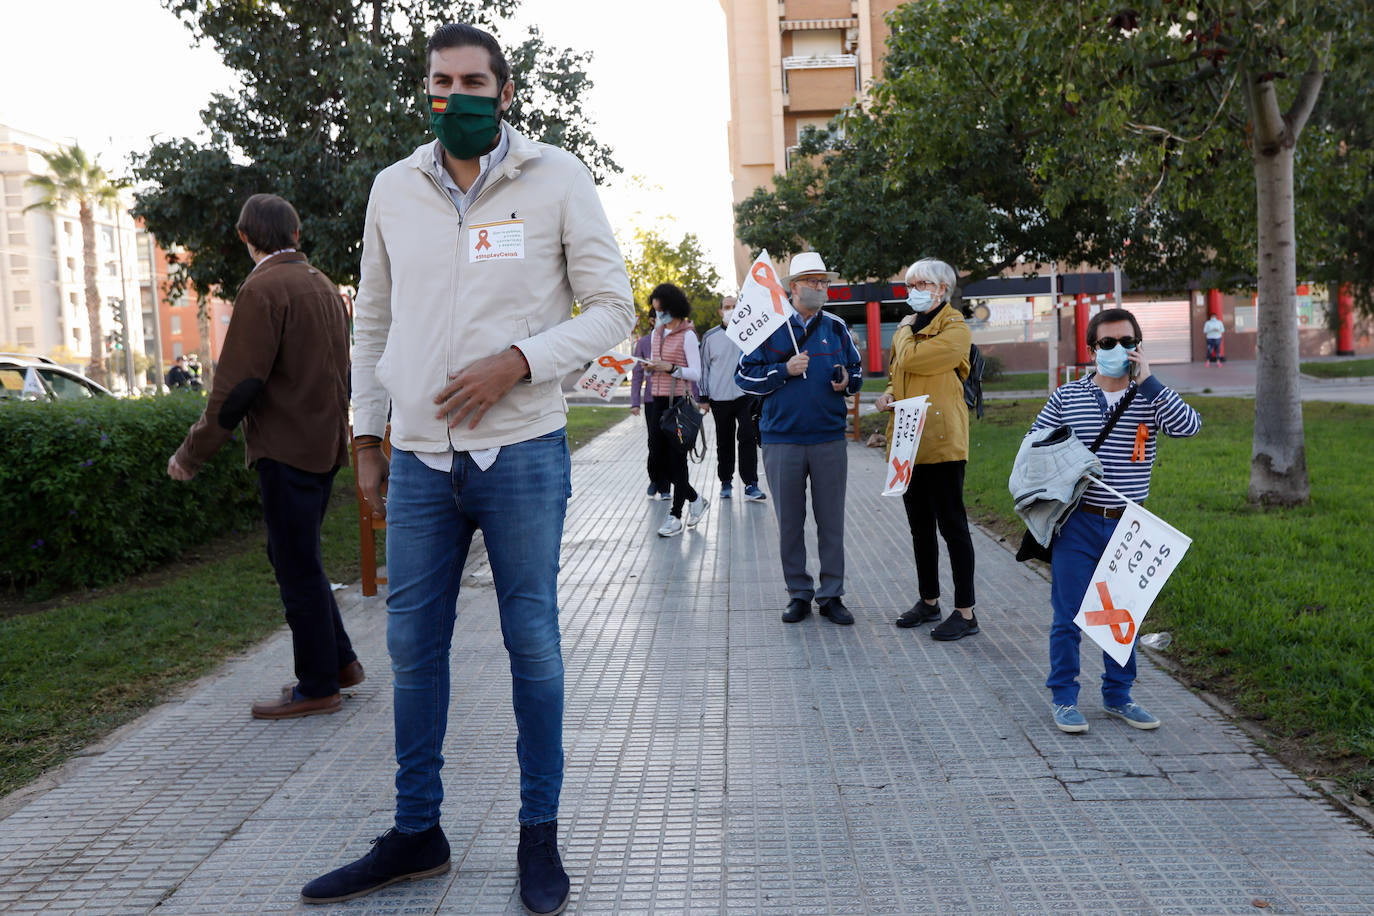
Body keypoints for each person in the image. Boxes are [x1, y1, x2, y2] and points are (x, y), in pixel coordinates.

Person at [302, 23, 633, 915]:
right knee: (413, 651)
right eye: (442, 83)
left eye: (474, 82)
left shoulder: (558, 178)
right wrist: (366, 439)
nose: (457, 97)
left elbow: (613, 309)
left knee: (534, 647)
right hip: (414, 460)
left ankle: (539, 837)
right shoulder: (391, 190)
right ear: (429, 91)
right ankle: (418, 832)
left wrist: (518, 361)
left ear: (506, 91)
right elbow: (372, 322)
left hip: (521, 451)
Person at [166, 193, 360, 720]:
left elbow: (239, 386)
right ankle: (339, 663)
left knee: (295, 565)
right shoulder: (322, 285)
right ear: (295, 234)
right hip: (324, 445)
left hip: (286, 449)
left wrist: (191, 453)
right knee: (296, 557)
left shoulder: (263, 288)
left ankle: (318, 685)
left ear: (246, 237)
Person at [1027, 307, 1200, 734]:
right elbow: (1032, 447)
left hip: (1130, 525)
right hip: (1078, 523)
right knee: (1068, 615)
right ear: (1091, 351)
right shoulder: (1067, 397)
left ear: (1139, 348)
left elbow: (1189, 427)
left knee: (1122, 613)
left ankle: (1118, 696)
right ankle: (1064, 698)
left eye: (1127, 342)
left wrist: (1151, 384)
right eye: (1107, 343)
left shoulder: (1151, 396)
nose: (1117, 350)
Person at [736, 252, 863, 625]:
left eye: (824, 283)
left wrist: (846, 382)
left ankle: (831, 595)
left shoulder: (837, 327)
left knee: (831, 521)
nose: (820, 289)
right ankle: (798, 594)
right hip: (782, 440)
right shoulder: (768, 326)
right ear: (793, 287)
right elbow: (743, 377)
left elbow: (855, 374)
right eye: (813, 282)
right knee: (790, 523)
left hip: (828, 438)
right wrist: (783, 370)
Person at [875, 258, 979, 641]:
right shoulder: (910, 328)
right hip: (907, 441)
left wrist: (902, 332)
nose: (913, 291)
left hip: (941, 441)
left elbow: (915, 358)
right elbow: (897, 374)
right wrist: (887, 396)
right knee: (920, 527)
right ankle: (929, 601)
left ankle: (966, 612)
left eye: (921, 284)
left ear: (941, 288)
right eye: (909, 285)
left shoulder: (955, 327)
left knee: (952, 526)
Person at [642, 282, 709, 537]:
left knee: (677, 460)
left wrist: (669, 367)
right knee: (657, 462)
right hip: (656, 401)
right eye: (656, 310)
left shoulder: (688, 335)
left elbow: (695, 372)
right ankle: (695, 499)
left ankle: (676, 515)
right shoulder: (657, 333)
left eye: (661, 310)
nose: (658, 314)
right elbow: (656, 363)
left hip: (677, 403)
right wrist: (651, 366)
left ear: (672, 307)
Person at [699, 295, 766, 502]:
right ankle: (725, 481)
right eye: (727, 307)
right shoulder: (710, 337)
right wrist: (703, 397)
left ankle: (751, 485)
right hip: (719, 397)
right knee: (724, 440)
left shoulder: (751, 333)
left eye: (735, 306)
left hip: (745, 396)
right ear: (720, 311)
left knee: (748, 438)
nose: (731, 309)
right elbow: (704, 369)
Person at [629, 316, 670, 499]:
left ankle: (666, 485)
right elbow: (637, 374)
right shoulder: (643, 343)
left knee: (670, 442)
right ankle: (655, 479)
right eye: (660, 316)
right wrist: (635, 402)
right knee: (654, 441)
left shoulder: (674, 340)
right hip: (652, 400)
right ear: (652, 320)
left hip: (671, 398)